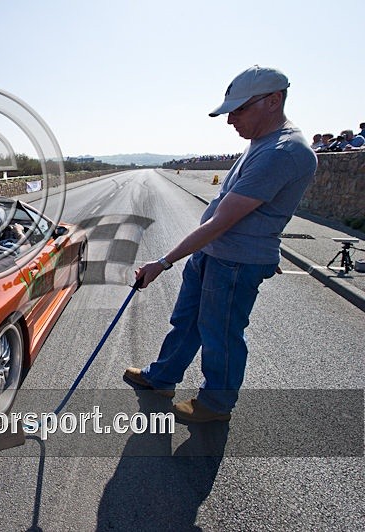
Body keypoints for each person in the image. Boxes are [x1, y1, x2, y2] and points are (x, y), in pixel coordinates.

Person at [125, 65, 317, 423]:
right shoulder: (262, 144)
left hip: (234, 261)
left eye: (239, 109)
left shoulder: (284, 152)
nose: (231, 120)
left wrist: (162, 262)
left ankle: (215, 404)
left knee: (220, 333)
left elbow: (223, 220)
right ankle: (163, 377)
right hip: (217, 254)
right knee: (187, 321)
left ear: (274, 101)